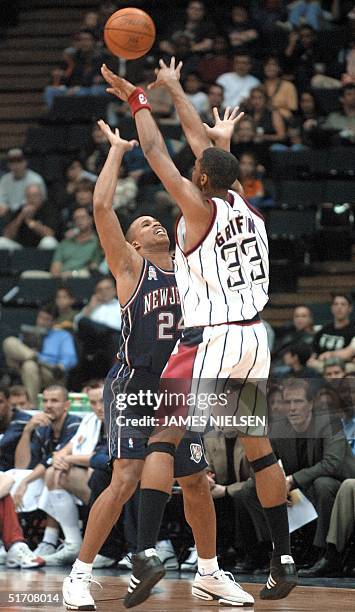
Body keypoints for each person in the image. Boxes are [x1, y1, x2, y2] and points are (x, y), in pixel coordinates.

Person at [101, 58, 297, 606]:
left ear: (202, 182)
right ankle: (283, 558)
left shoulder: (197, 209)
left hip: (211, 339)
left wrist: (140, 99)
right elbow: (201, 146)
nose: (191, 176)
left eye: (197, 174)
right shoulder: (248, 209)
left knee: (164, 437)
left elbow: (164, 155)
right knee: (258, 447)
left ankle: (144, 552)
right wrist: (176, 88)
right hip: (255, 339)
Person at [63, 110, 254, 610]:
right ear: (132, 242)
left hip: (177, 388)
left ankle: (209, 573)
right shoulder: (130, 268)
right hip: (133, 382)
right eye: (142, 222)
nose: (153, 222)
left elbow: (213, 197)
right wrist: (116, 152)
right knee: (126, 477)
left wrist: (219, 143)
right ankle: (79, 575)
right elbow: (102, 206)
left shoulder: (193, 263)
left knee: (195, 481)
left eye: (156, 219)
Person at [35, 382, 105, 565]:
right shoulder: (90, 420)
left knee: (88, 475)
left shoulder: (121, 420)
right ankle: (73, 543)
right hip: (91, 479)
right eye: (93, 402)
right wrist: (59, 458)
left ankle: (65, 542)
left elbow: (103, 457)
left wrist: (69, 460)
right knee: (52, 472)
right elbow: (68, 448)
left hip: (109, 481)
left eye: (103, 401)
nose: (98, 407)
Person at [2, 304, 78, 405]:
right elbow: (16, 350)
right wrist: (29, 353)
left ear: (53, 322)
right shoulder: (29, 332)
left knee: (29, 365)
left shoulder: (62, 335)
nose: (42, 321)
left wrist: (61, 366)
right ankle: (34, 357)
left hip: (49, 371)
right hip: (22, 365)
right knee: (9, 341)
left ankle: (32, 405)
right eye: (40, 317)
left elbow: (70, 358)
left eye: (47, 319)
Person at [0, 184, 57, 250]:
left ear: (41, 196)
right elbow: (7, 235)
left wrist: (30, 222)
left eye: (35, 196)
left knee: (49, 242)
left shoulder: (49, 209)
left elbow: (50, 234)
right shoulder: (21, 210)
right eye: (28, 196)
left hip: (41, 248)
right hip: (22, 249)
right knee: (1, 242)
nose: (32, 199)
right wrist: (21, 217)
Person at [50, 206, 103, 278]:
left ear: (90, 219)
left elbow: (94, 267)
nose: (79, 221)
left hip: (83, 279)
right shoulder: (65, 243)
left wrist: (73, 274)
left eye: (82, 217)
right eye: (76, 218)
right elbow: (55, 268)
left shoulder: (98, 243)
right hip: (61, 278)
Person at [0, 148, 47, 219]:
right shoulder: (4, 179)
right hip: (10, 213)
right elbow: (2, 200)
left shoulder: (36, 179)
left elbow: (42, 201)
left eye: (19, 161)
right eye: (12, 162)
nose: (16, 165)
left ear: (25, 162)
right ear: (8, 165)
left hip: (31, 212)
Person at [0, 386, 31, 472]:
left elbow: (4, 443)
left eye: (0, 402)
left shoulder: (23, 419)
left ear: (8, 402)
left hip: (14, 473)